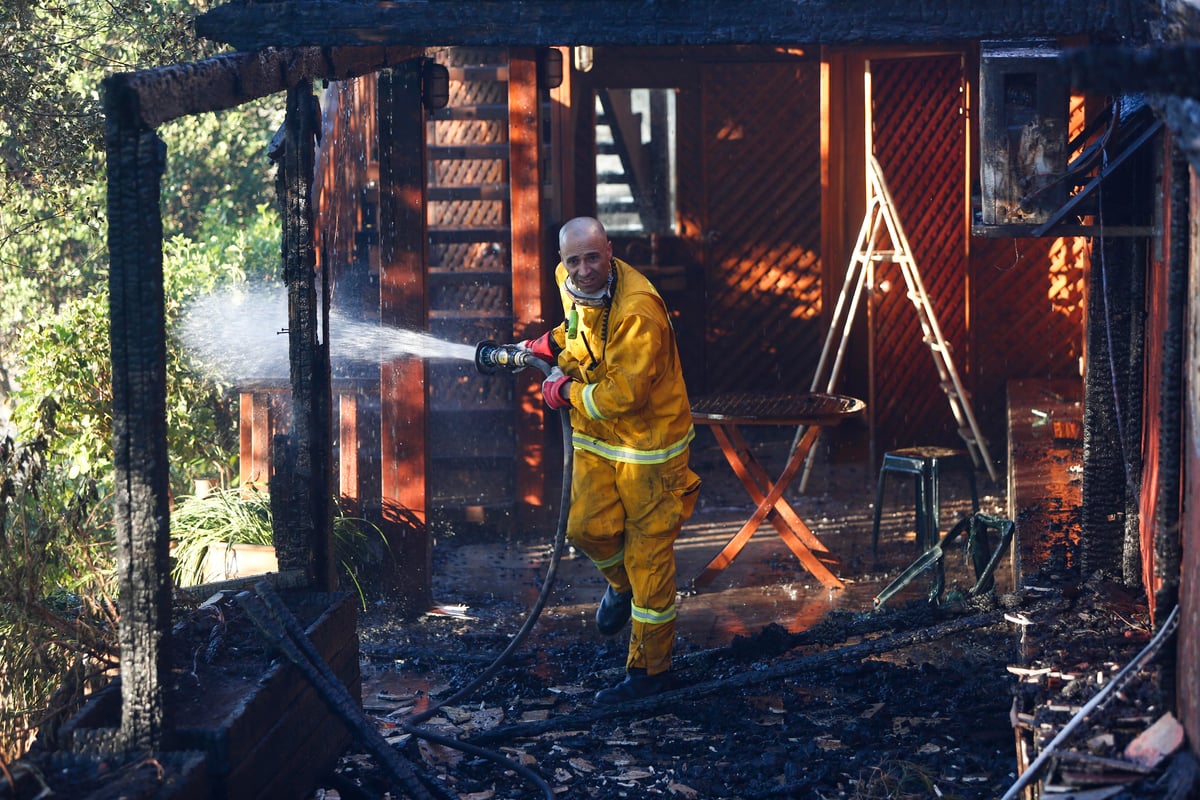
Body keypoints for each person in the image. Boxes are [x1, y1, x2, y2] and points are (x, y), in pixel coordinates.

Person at [517, 216, 701, 704]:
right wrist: (549, 343)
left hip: (650, 452)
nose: (583, 269)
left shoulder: (639, 311)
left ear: (610, 252)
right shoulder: (568, 281)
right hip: (599, 440)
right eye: (573, 259)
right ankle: (619, 587)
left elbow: (624, 395)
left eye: (592, 257)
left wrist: (565, 391)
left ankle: (650, 672)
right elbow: (579, 329)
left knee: (650, 562)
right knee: (585, 528)